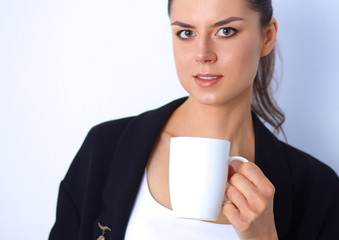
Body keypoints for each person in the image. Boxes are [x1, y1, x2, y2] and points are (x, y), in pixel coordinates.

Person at [49, 0, 339, 239]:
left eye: (225, 31)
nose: (203, 55)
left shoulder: (318, 189)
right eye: (186, 33)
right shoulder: (105, 149)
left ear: (267, 36)